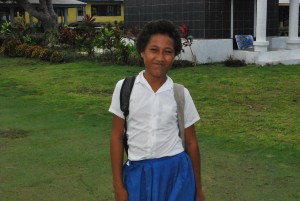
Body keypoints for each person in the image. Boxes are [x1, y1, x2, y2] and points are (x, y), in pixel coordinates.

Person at [109, 19, 205, 201]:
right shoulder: (124, 89)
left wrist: (198, 188)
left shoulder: (180, 93)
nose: (160, 58)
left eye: (167, 52)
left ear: (174, 55)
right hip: (138, 173)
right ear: (142, 52)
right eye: (154, 50)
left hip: (177, 173)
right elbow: (116, 137)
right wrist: (118, 186)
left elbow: (191, 142)